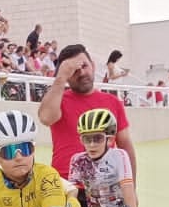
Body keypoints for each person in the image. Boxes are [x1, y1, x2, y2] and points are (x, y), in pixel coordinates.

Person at [38, 43, 136, 178]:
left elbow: (125, 146)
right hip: (67, 185)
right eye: (74, 70)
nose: (82, 73)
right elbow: (46, 118)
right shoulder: (58, 100)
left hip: (106, 186)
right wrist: (61, 77)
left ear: (93, 65)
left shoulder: (113, 102)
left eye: (84, 66)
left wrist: (131, 187)